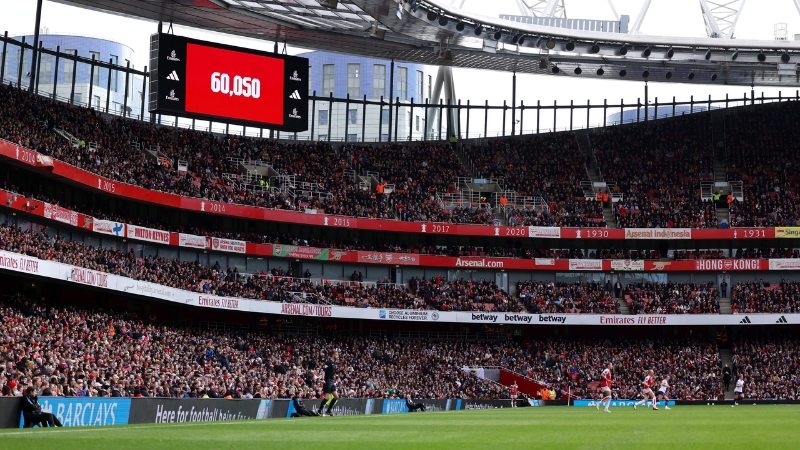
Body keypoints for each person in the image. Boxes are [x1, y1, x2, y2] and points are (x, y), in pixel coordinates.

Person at [319, 350, 339, 416]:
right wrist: (322, 379)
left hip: (331, 381)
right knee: (327, 397)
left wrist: (335, 377)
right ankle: (319, 411)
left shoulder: (333, 363)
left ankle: (328, 411)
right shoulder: (329, 362)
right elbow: (323, 371)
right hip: (327, 380)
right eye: (336, 354)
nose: (337, 356)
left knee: (336, 397)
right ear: (333, 355)